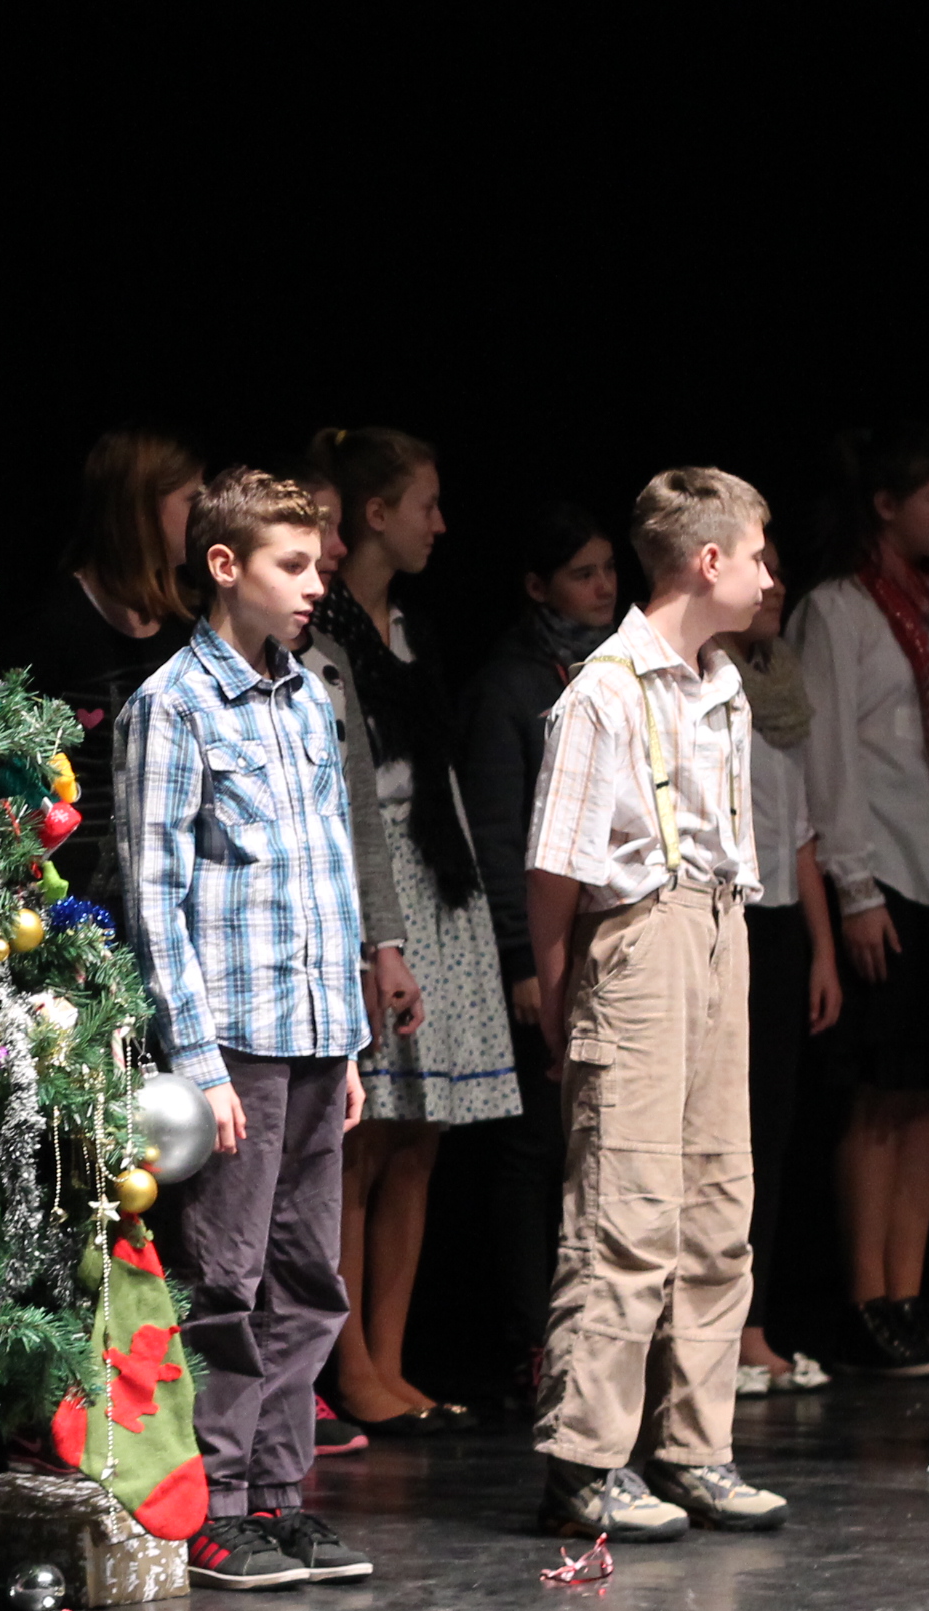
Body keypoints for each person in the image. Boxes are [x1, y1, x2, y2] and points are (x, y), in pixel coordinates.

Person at [116, 468, 370, 1591]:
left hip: (315, 1033)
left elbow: (330, 876)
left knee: (308, 1274)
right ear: (224, 566)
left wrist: (348, 1041)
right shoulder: (172, 707)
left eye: (318, 564)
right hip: (237, 1043)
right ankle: (215, 1503)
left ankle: (279, 1493)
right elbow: (153, 896)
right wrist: (198, 1062)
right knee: (226, 1277)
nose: (315, 584)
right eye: (292, 564)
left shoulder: (309, 698)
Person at [523, 468, 787, 1541]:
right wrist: (559, 995)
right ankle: (586, 1459)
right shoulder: (604, 689)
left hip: (719, 932)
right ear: (708, 561)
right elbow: (555, 870)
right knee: (625, 1209)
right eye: (758, 556)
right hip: (637, 943)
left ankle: (695, 1447)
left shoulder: (722, 684)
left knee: (718, 1207)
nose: (768, 577)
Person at [304, 428, 520, 1435]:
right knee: (367, 1134)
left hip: (437, 869)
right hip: (373, 874)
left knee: (421, 1135)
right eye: (424, 505)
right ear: (375, 513)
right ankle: (346, 1361)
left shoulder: (413, 629)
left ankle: (389, 1360)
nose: (440, 524)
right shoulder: (323, 632)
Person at [789, 424, 929, 1378]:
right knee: (876, 1096)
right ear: (885, 505)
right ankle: (865, 1302)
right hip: (884, 880)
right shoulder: (837, 611)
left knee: (926, 1096)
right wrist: (855, 888)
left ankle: (907, 1297)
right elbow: (827, 756)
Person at [458, 505, 623, 1410]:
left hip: (607, 941)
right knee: (530, 1151)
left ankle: (593, 1338)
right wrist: (523, 957)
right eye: (582, 573)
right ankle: (530, 1338)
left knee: (588, 1144)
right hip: (538, 945)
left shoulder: (619, 671)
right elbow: (498, 831)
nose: (603, 588)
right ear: (537, 586)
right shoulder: (510, 687)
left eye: (609, 570)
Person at [291, 474, 420, 1452]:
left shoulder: (325, 666)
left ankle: (315, 1384)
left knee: (324, 1166)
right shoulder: (189, 681)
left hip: (337, 952)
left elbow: (359, 821)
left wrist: (383, 943)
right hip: (258, 964)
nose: (326, 562)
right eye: (304, 546)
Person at [729, 544, 841, 1395]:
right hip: (722, 921)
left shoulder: (783, 686)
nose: (775, 586)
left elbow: (800, 834)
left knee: (769, 1133)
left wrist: (823, 950)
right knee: (722, 1139)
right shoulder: (705, 686)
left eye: (780, 569)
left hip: (778, 930)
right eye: (758, 567)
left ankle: (753, 1325)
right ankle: (712, 1330)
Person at [23, 429, 201, 926]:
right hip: (74, 902)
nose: (203, 515)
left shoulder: (187, 623)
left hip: (167, 891)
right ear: (143, 507)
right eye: (191, 499)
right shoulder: (59, 624)